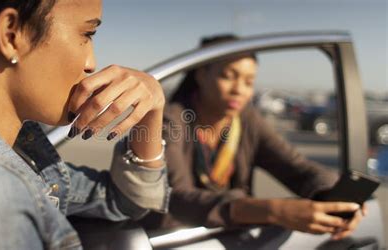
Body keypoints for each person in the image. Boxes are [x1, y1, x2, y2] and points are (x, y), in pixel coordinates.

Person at [0, 0, 170, 249]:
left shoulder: (19, 156)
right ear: (11, 35)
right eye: (87, 33)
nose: (91, 63)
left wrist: (151, 109)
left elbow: (127, 201)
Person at [141, 34, 365, 240]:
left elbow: (296, 167)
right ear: (200, 75)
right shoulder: (171, 120)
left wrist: (331, 195)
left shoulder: (247, 120)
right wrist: (272, 211)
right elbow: (173, 197)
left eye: (249, 82)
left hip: (229, 236)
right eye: (228, 76)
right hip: (174, 238)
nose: (239, 89)